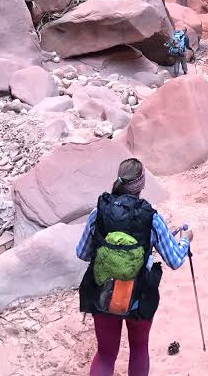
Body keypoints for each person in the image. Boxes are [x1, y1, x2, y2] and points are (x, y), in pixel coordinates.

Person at [77, 158, 193, 376]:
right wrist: (186, 240)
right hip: (138, 296)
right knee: (139, 349)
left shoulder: (99, 212)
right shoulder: (151, 218)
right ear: (142, 184)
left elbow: (82, 253)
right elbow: (175, 260)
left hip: (103, 294)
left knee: (105, 354)